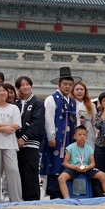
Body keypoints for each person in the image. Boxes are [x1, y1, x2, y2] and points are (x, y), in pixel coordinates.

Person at [43, 67, 79, 199]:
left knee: (69, 162)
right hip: (57, 138)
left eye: (70, 84)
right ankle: (54, 192)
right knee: (55, 163)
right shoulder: (51, 99)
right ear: (59, 85)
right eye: (65, 84)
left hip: (69, 137)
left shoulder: (72, 102)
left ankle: (67, 192)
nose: (68, 87)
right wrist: (51, 136)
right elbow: (49, 118)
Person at [14, 76, 44, 201]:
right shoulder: (16, 104)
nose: (25, 87)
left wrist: (24, 138)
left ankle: (33, 199)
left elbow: (36, 124)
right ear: (18, 88)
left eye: (27, 84)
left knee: (30, 171)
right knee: (19, 171)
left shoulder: (37, 103)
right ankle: (21, 198)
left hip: (30, 143)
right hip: (16, 144)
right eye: (22, 85)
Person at [58, 125, 105, 198]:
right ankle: (67, 198)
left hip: (87, 168)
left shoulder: (89, 148)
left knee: (104, 176)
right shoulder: (70, 148)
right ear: (75, 136)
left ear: (87, 137)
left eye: (84, 135)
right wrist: (74, 167)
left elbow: (93, 163)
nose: (82, 136)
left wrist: (88, 167)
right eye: (80, 135)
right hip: (74, 168)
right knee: (61, 178)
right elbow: (65, 163)